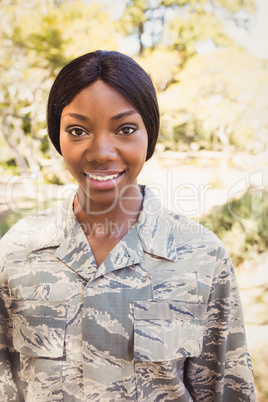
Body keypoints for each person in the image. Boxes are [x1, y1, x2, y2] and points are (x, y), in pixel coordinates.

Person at [0, 50, 255, 401]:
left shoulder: (203, 258)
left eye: (125, 129)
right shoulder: (17, 252)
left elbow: (227, 391)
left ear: (150, 134)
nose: (102, 151)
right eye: (77, 130)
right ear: (56, 136)